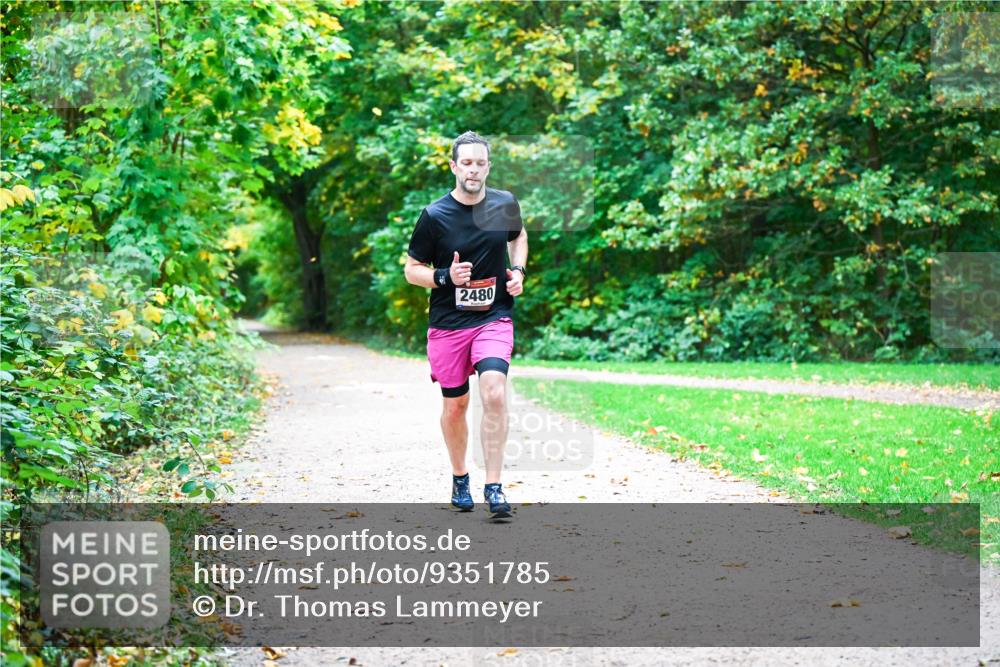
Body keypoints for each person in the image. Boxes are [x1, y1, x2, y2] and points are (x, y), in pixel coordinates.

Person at [403, 131, 528, 519]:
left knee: (494, 392)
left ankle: (494, 486)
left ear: (488, 167)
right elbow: (412, 269)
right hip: (448, 324)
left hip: (494, 317)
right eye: (467, 163)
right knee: (456, 405)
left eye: (481, 163)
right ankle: (460, 477)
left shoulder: (504, 204)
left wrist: (518, 271)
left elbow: (519, 236)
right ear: (454, 167)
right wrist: (445, 277)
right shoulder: (434, 216)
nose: (474, 169)